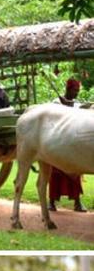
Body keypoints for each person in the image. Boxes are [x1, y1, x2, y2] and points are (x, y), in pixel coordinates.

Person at [49, 79, 87, 213]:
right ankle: (51, 202)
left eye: (77, 91)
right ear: (68, 89)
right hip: (58, 142)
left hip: (72, 143)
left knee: (75, 172)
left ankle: (77, 203)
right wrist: (63, 107)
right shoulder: (55, 102)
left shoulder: (76, 105)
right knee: (55, 172)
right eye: (74, 91)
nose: (76, 93)